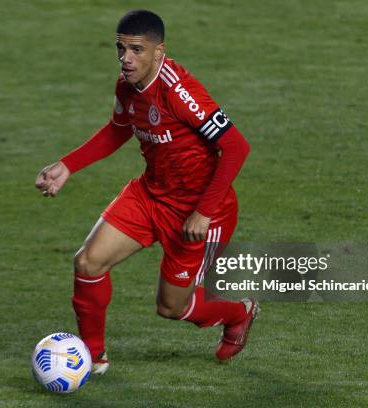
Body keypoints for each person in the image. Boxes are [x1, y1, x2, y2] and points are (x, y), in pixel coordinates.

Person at [35, 9, 258, 374]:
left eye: (137, 50)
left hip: (198, 213)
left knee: (172, 308)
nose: (126, 59)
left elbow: (236, 146)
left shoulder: (179, 91)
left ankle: (240, 311)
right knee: (88, 263)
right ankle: (93, 357)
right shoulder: (127, 85)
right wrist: (68, 164)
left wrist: (203, 212)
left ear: (159, 52)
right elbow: (118, 128)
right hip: (150, 194)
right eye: (120, 48)